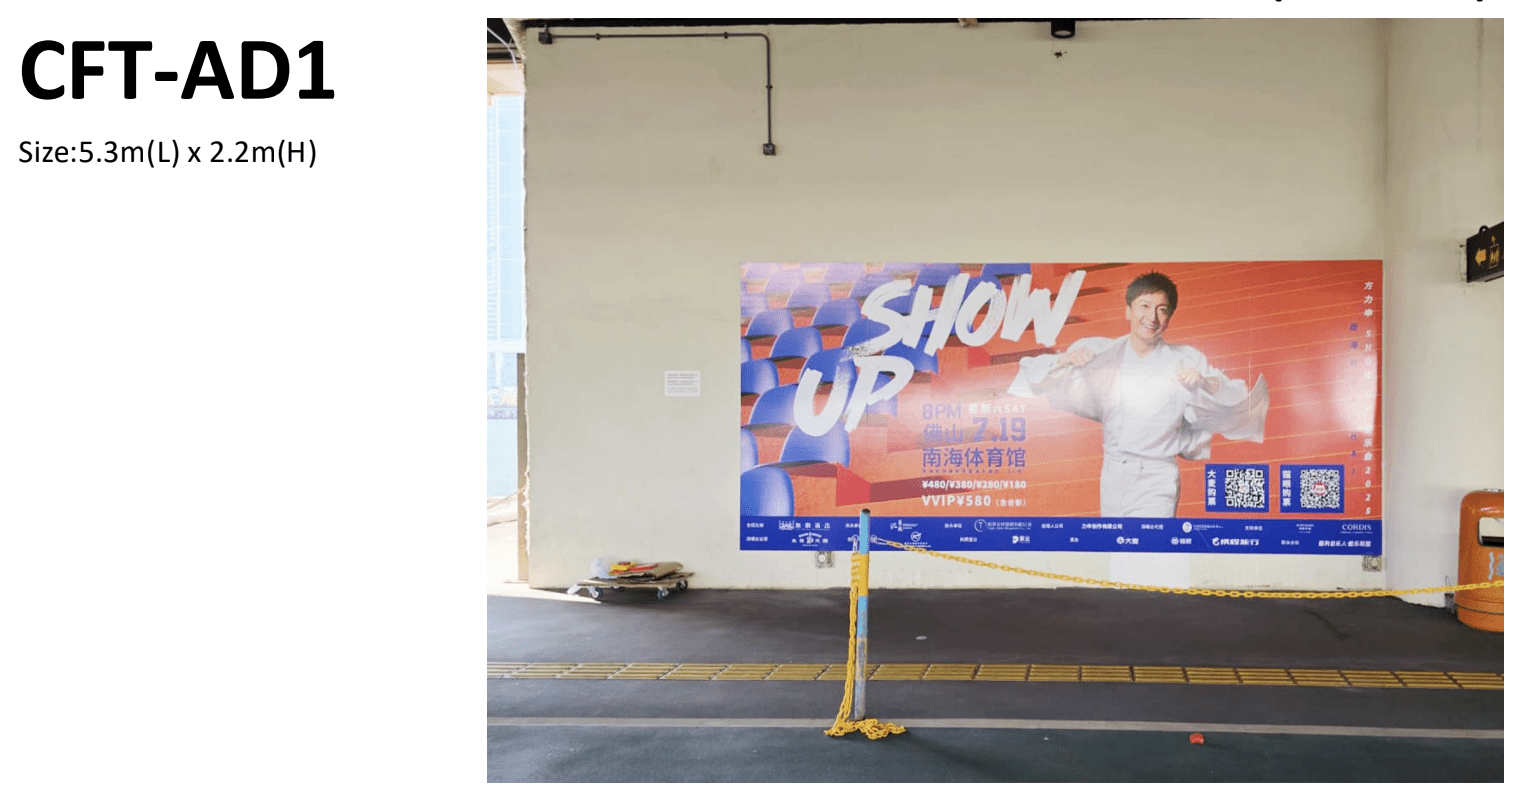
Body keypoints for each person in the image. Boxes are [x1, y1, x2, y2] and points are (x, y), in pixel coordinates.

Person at [1006, 271, 1267, 517]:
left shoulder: (1187, 360)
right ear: (1128, 311)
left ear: (1169, 317)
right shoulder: (1101, 353)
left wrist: (1204, 383)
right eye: (1144, 306)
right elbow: (1033, 375)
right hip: (1113, 473)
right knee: (1115, 546)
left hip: (1156, 476)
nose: (1152, 317)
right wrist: (1064, 361)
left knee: (1151, 545)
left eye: (1161, 310)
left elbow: (1239, 400)